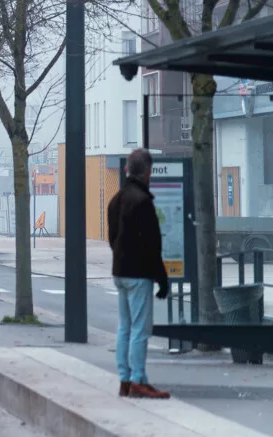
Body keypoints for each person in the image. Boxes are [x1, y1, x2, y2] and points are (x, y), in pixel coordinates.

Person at [107, 147, 170, 399]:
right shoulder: (143, 202)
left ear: (126, 170)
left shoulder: (116, 200)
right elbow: (152, 245)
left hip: (119, 271)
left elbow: (112, 238)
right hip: (138, 274)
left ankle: (125, 378)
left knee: (125, 326)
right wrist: (162, 279)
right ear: (148, 173)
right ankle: (137, 380)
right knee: (140, 329)